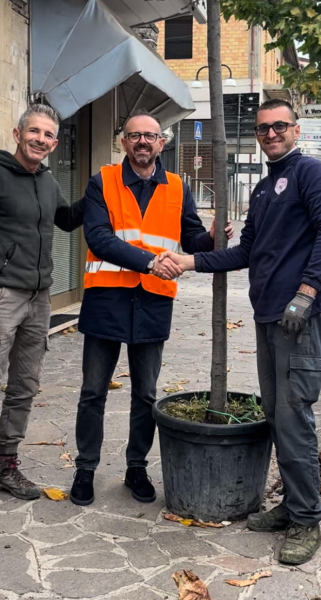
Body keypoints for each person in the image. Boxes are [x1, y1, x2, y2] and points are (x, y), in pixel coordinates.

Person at [159, 98, 321, 565]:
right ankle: (291, 505)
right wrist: (191, 260)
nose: (270, 133)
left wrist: (305, 293)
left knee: (294, 416)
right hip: (269, 318)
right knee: (278, 417)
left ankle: (307, 519)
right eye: (263, 128)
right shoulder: (264, 189)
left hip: (297, 320)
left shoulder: (311, 175)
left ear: (296, 131)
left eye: (279, 126)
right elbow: (246, 253)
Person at [70, 110, 233, 506]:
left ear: (162, 143)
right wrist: (148, 261)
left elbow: (190, 235)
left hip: (153, 302)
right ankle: (85, 469)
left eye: (151, 136)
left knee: (145, 393)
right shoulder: (101, 182)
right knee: (93, 391)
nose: (143, 142)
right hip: (106, 300)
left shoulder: (178, 187)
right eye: (134, 136)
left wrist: (209, 237)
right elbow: (100, 237)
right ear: (123, 142)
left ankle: (136, 467)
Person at [0, 104, 84, 521]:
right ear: (18, 133)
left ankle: (5, 466)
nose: (41, 140)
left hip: (40, 298)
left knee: (24, 386)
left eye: (49, 135)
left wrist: (100, 192)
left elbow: (65, 220)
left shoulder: (46, 180)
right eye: (34, 132)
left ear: (55, 143)